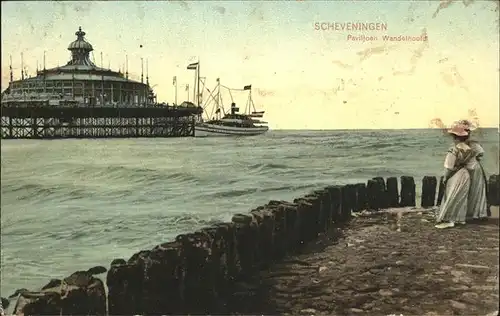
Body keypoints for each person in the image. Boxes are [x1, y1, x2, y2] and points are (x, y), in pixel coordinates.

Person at [435, 123, 476, 229]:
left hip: (455, 174)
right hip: (465, 173)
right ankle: (459, 219)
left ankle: (448, 219)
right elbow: (471, 166)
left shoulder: (454, 149)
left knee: (451, 195)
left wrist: (445, 178)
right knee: (461, 197)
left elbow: (449, 167)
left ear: (455, 137)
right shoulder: (470, 150)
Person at [457, 120, 490, 219]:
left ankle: (468, 212)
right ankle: (477, 213)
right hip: (474, 167)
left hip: (466, 168)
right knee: (476, 190)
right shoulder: (473, 144)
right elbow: (480, 154)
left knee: (468, 190)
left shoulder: (459, 145)